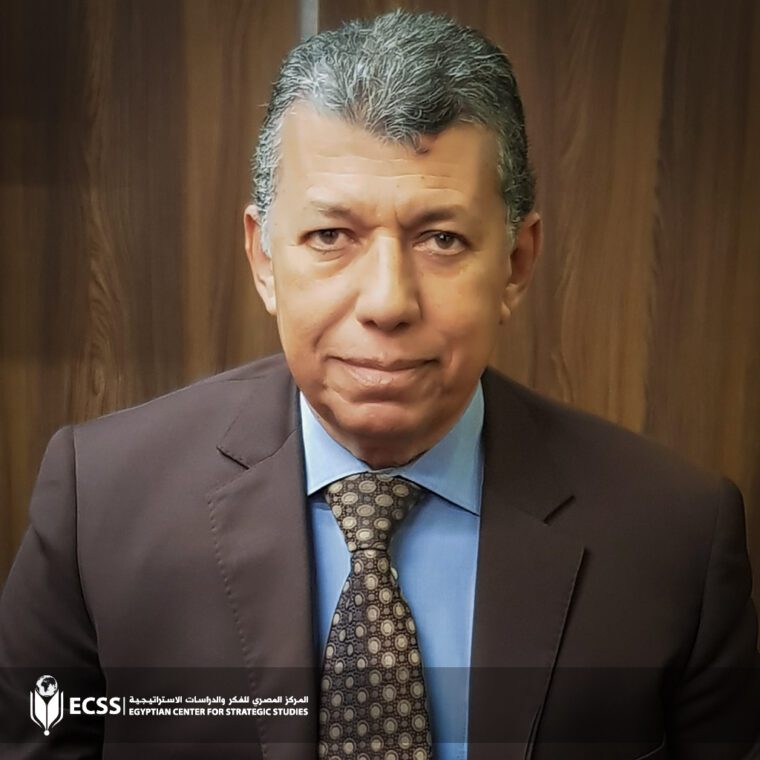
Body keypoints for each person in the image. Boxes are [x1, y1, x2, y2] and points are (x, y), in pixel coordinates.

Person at [1, 9, 758, 760]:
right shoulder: (99, 503)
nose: (388, 302)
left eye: (442, 239)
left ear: (516, 264)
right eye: (331, 236)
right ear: (264, 260)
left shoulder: (677, 536)